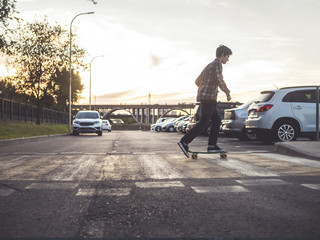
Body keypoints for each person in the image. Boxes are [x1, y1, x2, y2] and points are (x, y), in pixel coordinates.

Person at [178, 45, 232, 158]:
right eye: (227, 56)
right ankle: (184, 142)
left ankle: (212, 145)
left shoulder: (209, 65)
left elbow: (197, 81)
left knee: (217, 120)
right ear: (222, 55)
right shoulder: (217, 64)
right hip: (208, 98)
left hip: (206, 97)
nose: (228, 59)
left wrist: (204, 88)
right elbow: (219, 79)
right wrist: (227, 91)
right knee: (204, 123)